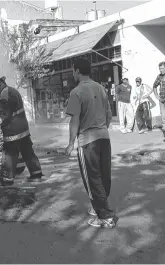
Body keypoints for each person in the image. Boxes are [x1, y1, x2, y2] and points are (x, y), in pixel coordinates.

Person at [64, 58, 118, 228]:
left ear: (77, 71)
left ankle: (105, 216)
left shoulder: (76, 92)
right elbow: (109, 114)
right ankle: (98, 208)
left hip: (87, 141)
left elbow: (74, 120)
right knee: (103, 176)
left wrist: (71, 143)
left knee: (92, 179)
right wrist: (102, 128)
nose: (73, 73)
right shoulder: (100, 88)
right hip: (104, 137)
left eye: (73, 70)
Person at [0, 76, 43, 186]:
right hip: (23, 129)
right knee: (28, 152)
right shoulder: (12, 90)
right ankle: (36, 173)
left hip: (13, 132)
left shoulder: (4, 93)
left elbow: (5, 114)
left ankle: (7, 179)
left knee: (9, 155)